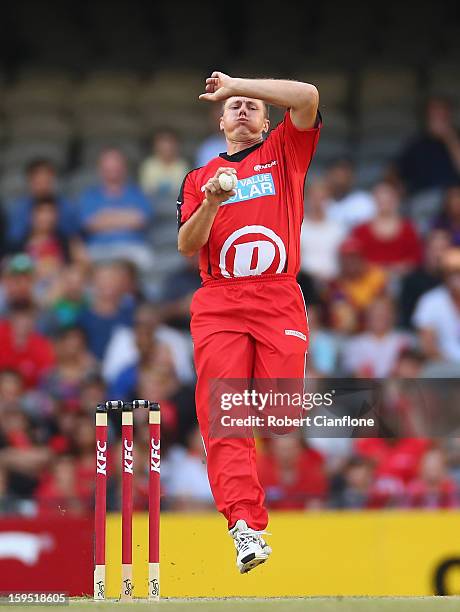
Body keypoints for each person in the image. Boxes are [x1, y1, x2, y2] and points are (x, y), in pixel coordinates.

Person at [177, 71, 320, 572]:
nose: (242, 109)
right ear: (220, 121)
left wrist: (239, 83)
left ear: (265, 119)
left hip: (278, 295)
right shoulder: (198, 178)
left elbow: (307, 97)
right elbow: (187, 245)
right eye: (234, 105)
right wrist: (214, 199)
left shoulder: (285, 153)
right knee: (226, 418)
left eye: (252, 105)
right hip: (220, 301)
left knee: (280, 418)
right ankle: (245, 526)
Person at [76, 149, 153, 272]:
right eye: (108, 167)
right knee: (81, 261)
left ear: (124, 168)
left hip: (131, 248)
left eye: (116, 167)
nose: (113, 171)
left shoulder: (136, 193)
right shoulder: (90, 196)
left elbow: (140, 220)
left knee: (146, 259)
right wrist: (126, 216)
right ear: (100, 170)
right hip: (98, 249)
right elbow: (89, 224)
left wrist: (105, 216)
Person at [350, 180, 422, 277]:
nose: (384, 202)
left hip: (404, 279)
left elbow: (416, 258)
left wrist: (399, 269)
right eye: (380, 198)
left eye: (387, 199)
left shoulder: (409, 228)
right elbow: (355, 260)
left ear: (396, 199)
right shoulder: (360, 230)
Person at [6, 159, 75, 251]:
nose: (43, 186)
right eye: (39, 182)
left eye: (47, 181)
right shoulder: (19, 210)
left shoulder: (66, 207)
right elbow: (14, 240)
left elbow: (73, 237)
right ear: (30, 182)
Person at [396, 97, 460, 195]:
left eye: (441, 115)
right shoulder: (416, 143)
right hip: (423, 196)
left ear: (449, 116)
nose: (437, 119)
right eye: (433, 115)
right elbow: (397, 171)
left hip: (453, 195)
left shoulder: (456, 138)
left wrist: (449, 138)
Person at [412, 247, 460, 364]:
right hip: (444, 367)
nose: (455, 276)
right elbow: (428, 346)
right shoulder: (430, 301)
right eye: (450, 271)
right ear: (443, 274)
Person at [300, 180, 345, 281]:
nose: (318, 203)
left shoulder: (337, 228)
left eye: (322, 198)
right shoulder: (299, 228)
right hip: (306, 283)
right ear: (306, 199)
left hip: (334, 281)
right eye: (314, 198)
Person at [325, 158, 376, 230]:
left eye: (344, 177)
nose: (340, 182)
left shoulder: (365, 202)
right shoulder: (320, 203)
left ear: (352, 178)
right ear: (328, 176)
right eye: (337, 176)